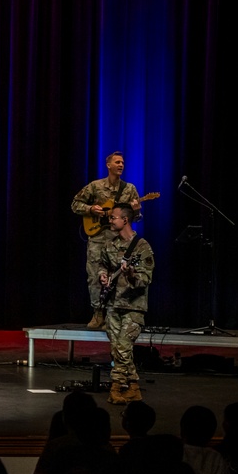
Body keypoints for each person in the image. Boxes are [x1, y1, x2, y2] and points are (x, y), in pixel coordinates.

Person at [71, 151, 142, 329]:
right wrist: (90, 209)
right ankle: (98, 313)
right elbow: (75, 204)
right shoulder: (96, 186)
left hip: (120, 241)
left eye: (123, 163)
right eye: (117, 162)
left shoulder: (129, 189)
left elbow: (137, 218)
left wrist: (137, 209)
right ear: (108, 165)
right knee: (95, 276)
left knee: (118, 277)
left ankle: (114, 315)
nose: (121, 165)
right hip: (97, 238)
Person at [97, 202, 154, 405]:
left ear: (125, 220)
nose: (110, 220)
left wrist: (130, 273)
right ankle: (134, 388)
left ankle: (116, 387)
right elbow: (102, 264)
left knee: (122, 348)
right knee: (118, 349)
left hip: (133, 306)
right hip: (113, 304)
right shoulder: (111, 245)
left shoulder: (142, 247)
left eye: (113, 217)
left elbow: (145, 280)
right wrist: (104, 276)